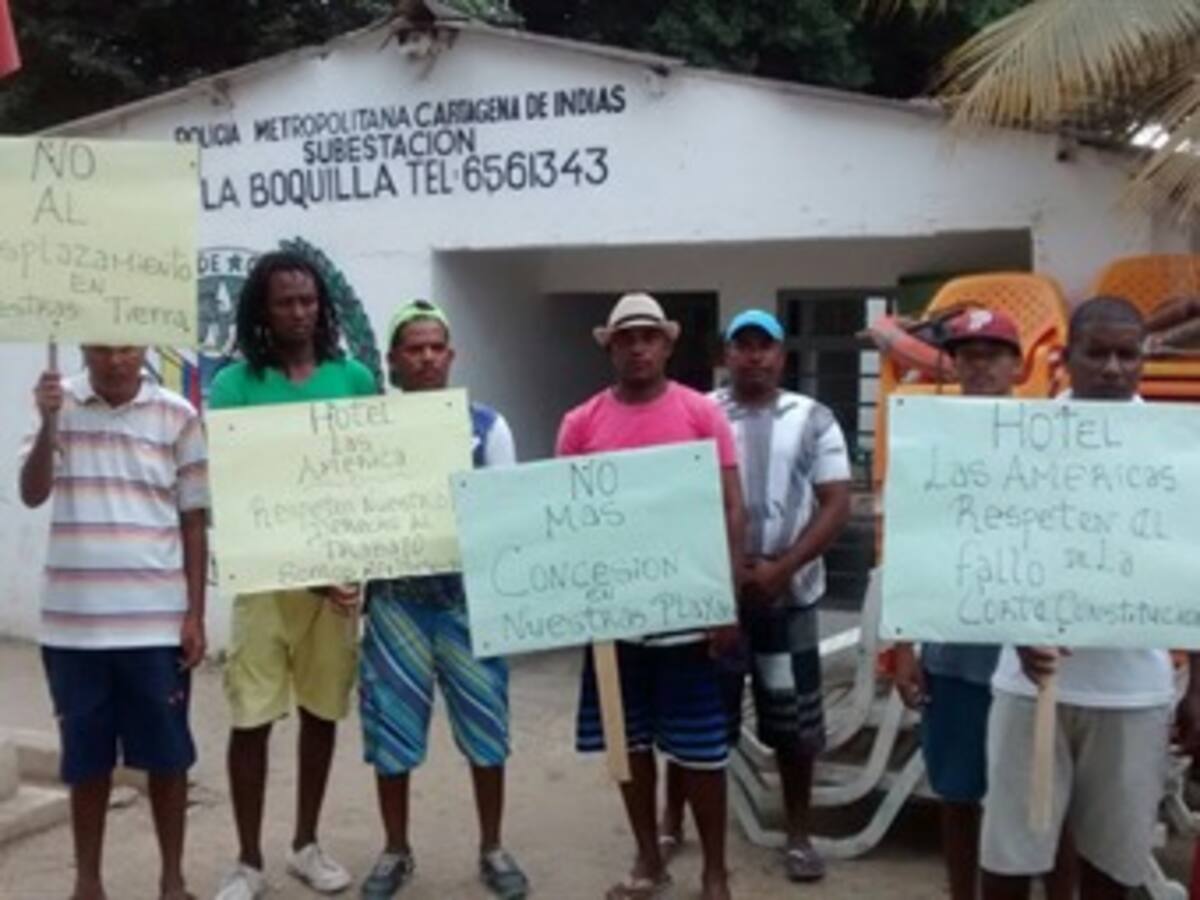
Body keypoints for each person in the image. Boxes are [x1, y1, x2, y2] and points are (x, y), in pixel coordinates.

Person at [981, 296, 1200, 900]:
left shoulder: (1178, 451)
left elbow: (1194, 572)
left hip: (1134, 693)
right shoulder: (1018, 441)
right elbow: (984, 550)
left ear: (1144, 361)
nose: (1111, 367)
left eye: (1126, 354)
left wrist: (1198, 687)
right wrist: (1017, 628)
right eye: (1096, 353)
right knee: (1008, 856)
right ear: (1065, 358)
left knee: (1115, 862)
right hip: (1030, 687)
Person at [556, 292, 746, 900]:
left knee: (700, 749)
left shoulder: (700, 414)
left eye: (648, 336)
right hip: (616, 619)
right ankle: (648, 860)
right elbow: (564, 518)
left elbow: (731, 508)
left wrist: (726, 599)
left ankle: (715, 872)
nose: (638, 347)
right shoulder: (581, 422)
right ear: (610, 346)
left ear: (667, 344)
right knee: (628, 743)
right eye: (626, 338)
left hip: (689, 614)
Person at [657, 309, 852, 882]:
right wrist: (723, 571)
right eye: (741, 346)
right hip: (713, 597)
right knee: (695, 717)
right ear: (725, 355)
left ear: (782, 356)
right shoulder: (698, 412)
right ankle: (672, 823)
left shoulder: (813, 419)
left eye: (764, 346)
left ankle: (797, 834)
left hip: (787, 599)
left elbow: (836, 502)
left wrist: (781, 568)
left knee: (793, 726)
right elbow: (676, 496)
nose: (753, 357)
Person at [209, 252, 378, 900]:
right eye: (286, 302)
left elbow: (374, 474)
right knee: (250, 719)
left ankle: (305, 844)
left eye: (308, 300)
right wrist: (303, 571)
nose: (300, 312)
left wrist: (359, 559)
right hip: (263, 582)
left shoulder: (354, 377)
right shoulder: (236, 387)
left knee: (321, 712)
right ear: (262, 309)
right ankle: (248, 861)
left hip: (335, 583)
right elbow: (238, 489)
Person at [893, 308, 1074, 900]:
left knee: (1043, 799)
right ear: (954, 363)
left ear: (1017, 364)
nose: (980, 365)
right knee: (959, 793)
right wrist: (902, 643)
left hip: (1031, 654)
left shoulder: (1049, 433)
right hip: (954, 651)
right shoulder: (927, 436)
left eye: (993, 353)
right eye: (967, 354)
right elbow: (911, 542)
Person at [19, 344, 209, 900]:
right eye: (104, 349)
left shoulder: (178, 415)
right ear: (85, 348)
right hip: (73, 627)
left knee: (168, 758)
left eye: (127, 348)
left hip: (155, 625)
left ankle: (172, 880)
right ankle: (88, 882)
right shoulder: (61, 403)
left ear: (144, 348)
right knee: (86, 760)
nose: (117, 360)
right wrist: (48, 419)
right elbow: (32, 494)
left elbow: (194, 521)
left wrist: (194, 613)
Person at [357, 300, 528, 900]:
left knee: (487, 727)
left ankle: (493, 846)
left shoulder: (487, 427)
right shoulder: (368, 429)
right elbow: (350, 517)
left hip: (468, 601)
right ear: (394, 360)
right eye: (414, 348)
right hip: (395, 601)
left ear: (451, 356)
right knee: (392, 733)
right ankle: (395, 849)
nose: (427, 357)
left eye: (436, 347)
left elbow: (506, 514)